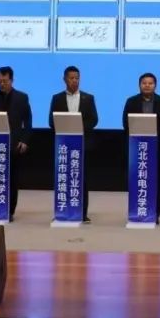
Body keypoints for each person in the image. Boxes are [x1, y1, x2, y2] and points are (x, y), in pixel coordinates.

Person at [48, 65, 99, 222]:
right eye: (71, 78)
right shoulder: (57, 98)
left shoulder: (88, 98)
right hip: (63, 145)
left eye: (77, 78)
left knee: (81, 179)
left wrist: (78, 126)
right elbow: (51, 121)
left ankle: (82, 213)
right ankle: (62, 211)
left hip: (82, 144)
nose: (74, 81)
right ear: (64, 79)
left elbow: (94, 119)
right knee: (63, 178)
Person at [0, 66, 33, 221]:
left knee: (12, 179)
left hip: (14, 145)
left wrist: (24, 140)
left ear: (11, 80)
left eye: (5, 81)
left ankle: (9, 210)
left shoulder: (22, 97)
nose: (2, 84)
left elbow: (28, 121)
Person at [122, 73, 160, 221]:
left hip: (157, 147)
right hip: (136, 148)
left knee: (156, 181)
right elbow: (126, 123)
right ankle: (137, 210)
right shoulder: (131, 101)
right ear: (139, 85)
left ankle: (155, 213)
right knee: (137, 179)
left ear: (155, 85)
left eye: (150, 83)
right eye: (144, 83)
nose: (147, 85)